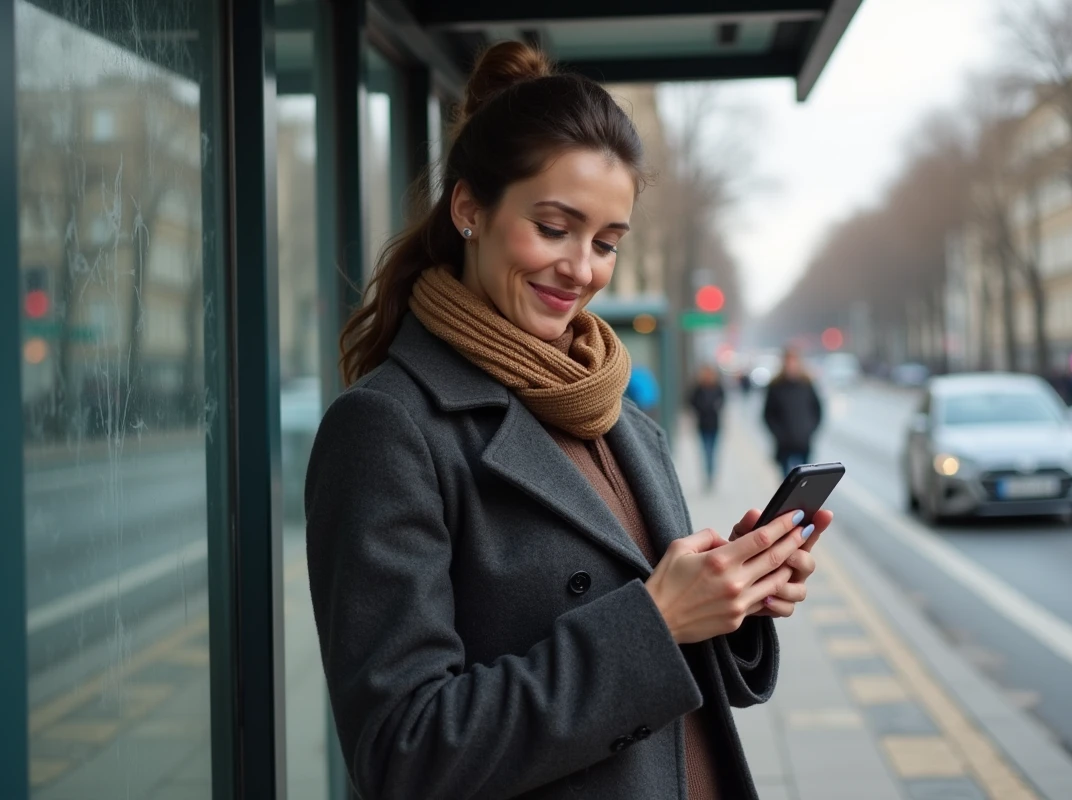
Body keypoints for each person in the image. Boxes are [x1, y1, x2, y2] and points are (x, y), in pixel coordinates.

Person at [305, 42, 832, 800]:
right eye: (554, 228)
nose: (582, 268)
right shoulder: (388, 429)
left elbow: (662, 659)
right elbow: (404, 752)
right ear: (468, 210)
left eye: (606, 242)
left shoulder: (614, 410)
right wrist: (656, 620)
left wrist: (729, 602)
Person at [763, 349, 823, 477]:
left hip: (803, 441)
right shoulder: (776, 386)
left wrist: (809, 430)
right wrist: (779, 434)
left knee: (805, 480)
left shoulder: (807, 385)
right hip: (784, 443)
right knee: (786, 482)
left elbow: (817, 410)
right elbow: (768, 415)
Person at [689, 365, 725, 491]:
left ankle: (711, 474)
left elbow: (722, 402)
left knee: (713, 451)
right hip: (702, 425)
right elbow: (691, 402)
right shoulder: (698, 389)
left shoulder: (718, 388)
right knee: (705, 450)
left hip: (714, 425)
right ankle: (707, 474)